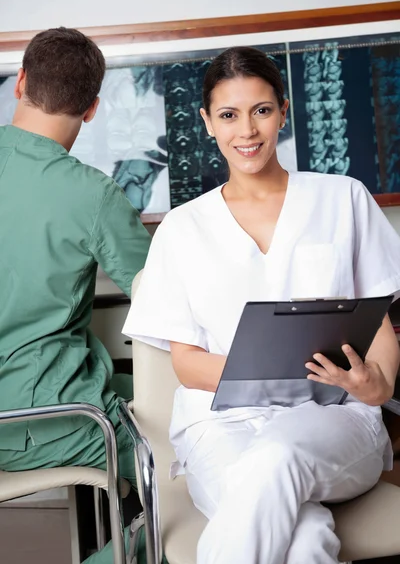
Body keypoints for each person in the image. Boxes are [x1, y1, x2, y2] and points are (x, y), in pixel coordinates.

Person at [123, 46, 400, 564]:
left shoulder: (343, 199)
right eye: (228, 115)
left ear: (283, 112)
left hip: (333, 414)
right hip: (220, 423)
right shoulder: (183, 229)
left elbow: (379, 323)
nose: (246, 131)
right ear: (206, 122)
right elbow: (186, 363)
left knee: (275, 456)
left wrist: (376, 382)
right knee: (305, 535)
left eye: (261, 111)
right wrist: (267, 371)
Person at [0, 28, 151, 562]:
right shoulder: (92, 194)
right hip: (45, 424)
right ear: (91, 109)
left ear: (19, 84)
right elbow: (164, 302)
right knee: (186, 455)